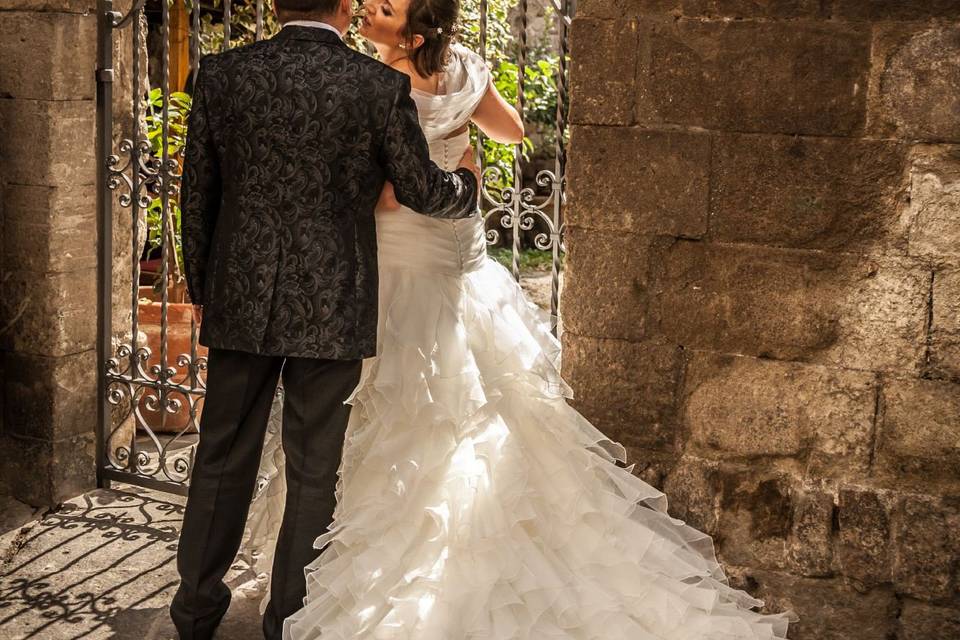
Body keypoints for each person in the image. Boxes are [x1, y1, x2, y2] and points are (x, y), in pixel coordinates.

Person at [236, 0, 799, 638]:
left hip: (399, 250)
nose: (367, 9)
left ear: (412, 31)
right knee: (474, 394)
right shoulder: (462, 70)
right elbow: (513, 132)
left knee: (388, 399)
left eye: (385, 7)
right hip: (458, 246)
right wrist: (460, 152)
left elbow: (381, 191)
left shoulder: (376, 84)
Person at [168, 0, 482, 636]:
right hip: (335, 299)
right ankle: (287, 619)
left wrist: (207, 290)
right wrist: (469, 186)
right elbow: (421, 190)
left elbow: (196, 194)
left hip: (242, 298)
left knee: (222, 454)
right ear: (343, 8)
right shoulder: (376, 84)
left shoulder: (222, 73)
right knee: (315, 468)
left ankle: (195, 609)